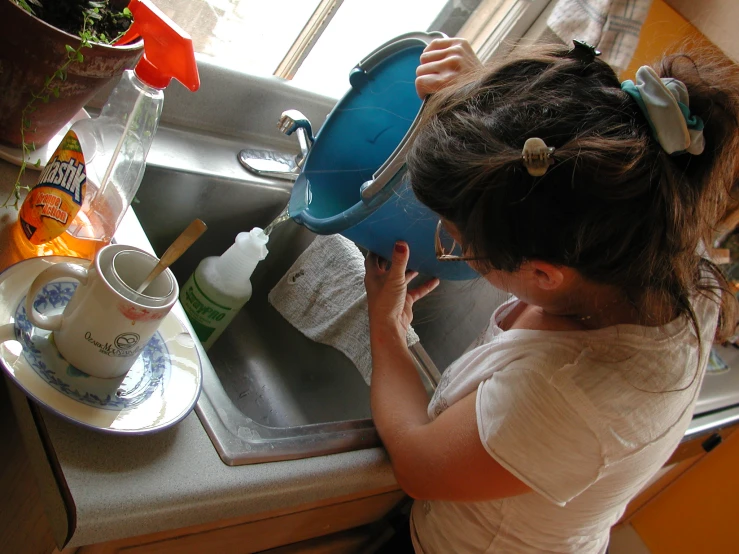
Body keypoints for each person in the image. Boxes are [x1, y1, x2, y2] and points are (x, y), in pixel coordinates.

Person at [364, 37, 739, 553]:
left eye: (455, 240)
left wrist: (385, 331)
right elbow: (571, 157)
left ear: (543, 274)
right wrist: (495, 117)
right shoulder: (661, 240)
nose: (450, 244)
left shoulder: (569, 399)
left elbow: (415, 464)